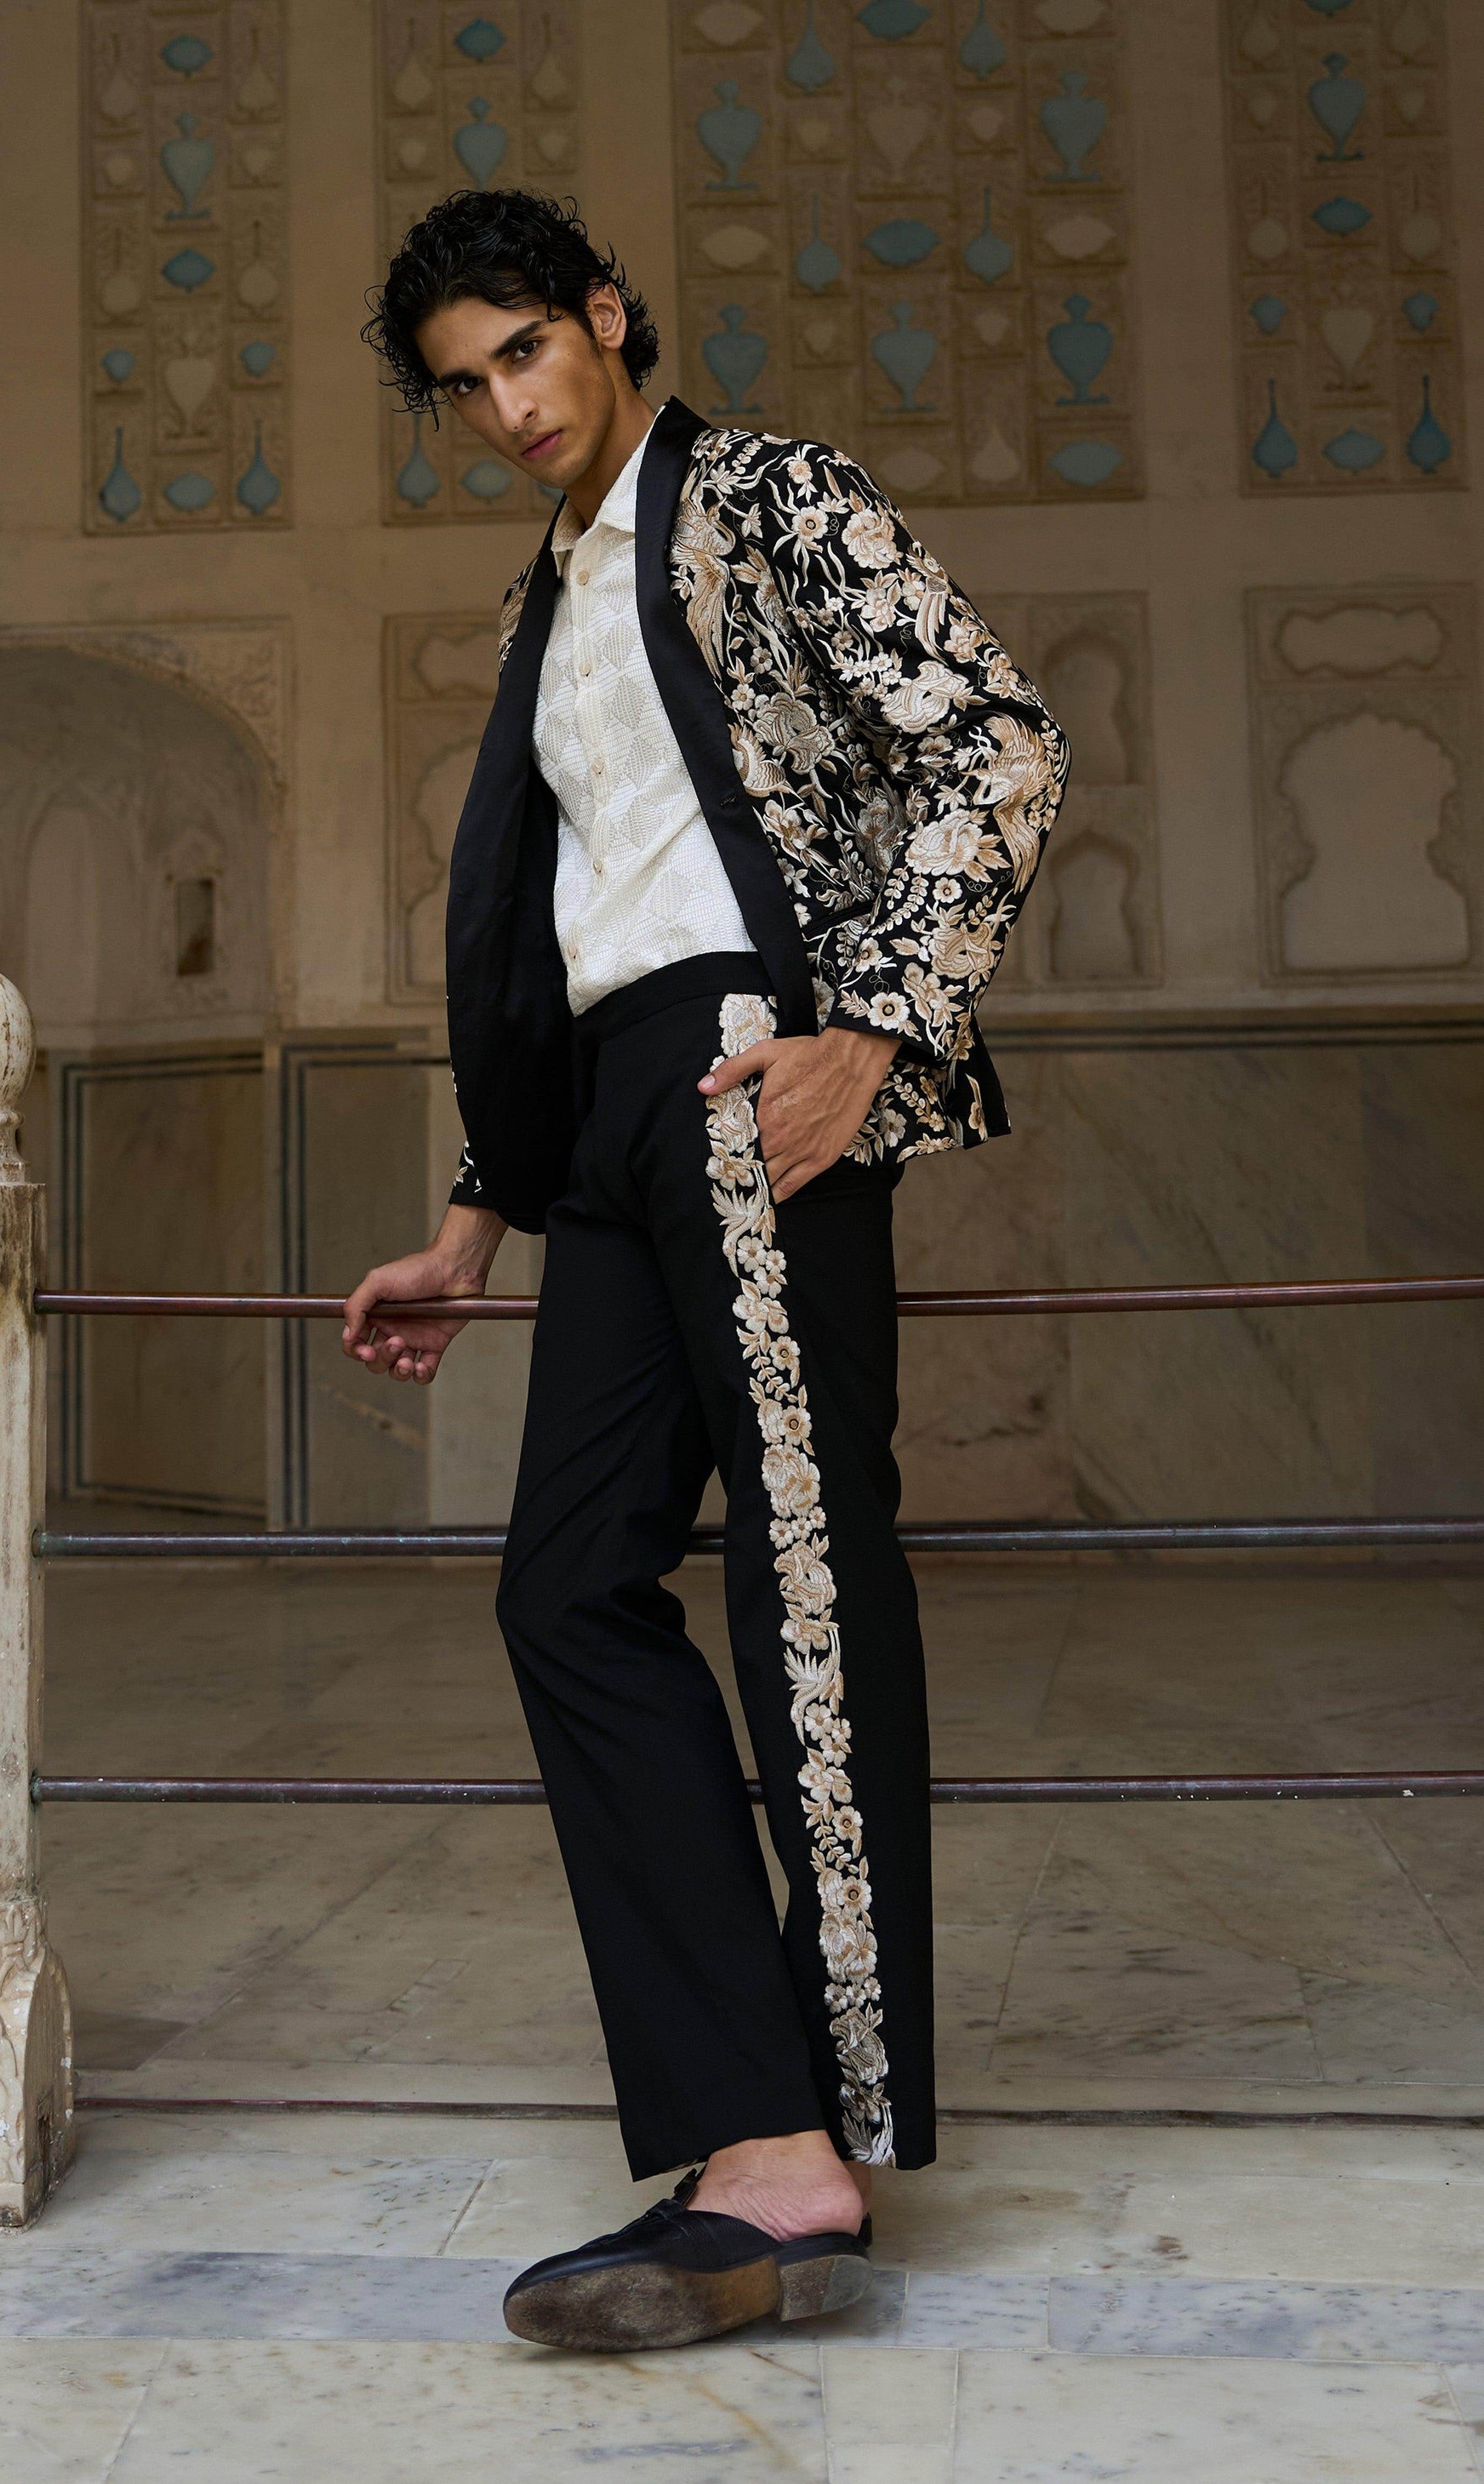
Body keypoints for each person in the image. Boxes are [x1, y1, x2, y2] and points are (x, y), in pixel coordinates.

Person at [347, 191, 1068, 2352]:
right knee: (562, 1585)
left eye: (525, 352)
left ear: (605, 316)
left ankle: (797, 2146)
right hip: (609, 1114)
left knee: (801, 1586)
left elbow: (997, 742)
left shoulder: (763, 494)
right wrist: (474, 1215)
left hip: (757, 1063)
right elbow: (560, 932)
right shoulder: (546, 591)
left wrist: (880, 1029)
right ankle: (753, 2116)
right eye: (465, 385)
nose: (506, 406)